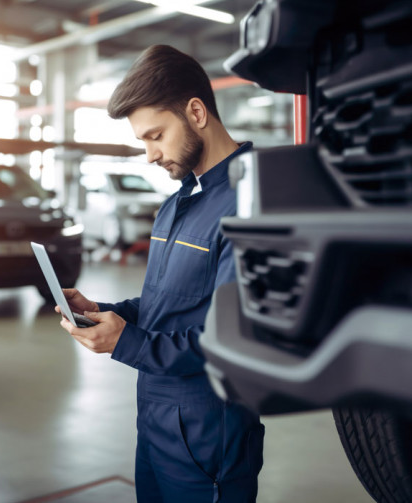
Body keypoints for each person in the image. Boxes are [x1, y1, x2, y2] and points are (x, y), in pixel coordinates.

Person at [58, 44, 264, 503]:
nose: (150, 155)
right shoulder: (174, 206)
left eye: (155, 136)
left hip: (210, 434)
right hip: (154, 423)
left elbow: (233, 342)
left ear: (195, 112)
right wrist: (102, 311)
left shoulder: (250, 206)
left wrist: (123, 342)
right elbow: (168, 304)